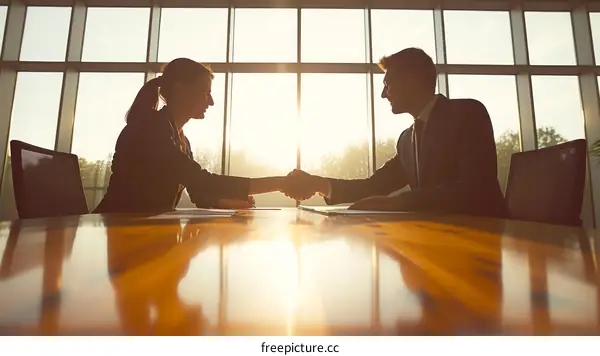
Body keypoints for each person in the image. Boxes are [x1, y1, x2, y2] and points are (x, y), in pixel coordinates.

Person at [284, 48, 508, 218]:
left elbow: (476, 188)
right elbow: (374, 187)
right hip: (438, 243)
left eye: (388, 83)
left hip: (489, 238)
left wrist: (399, 202)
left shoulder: (467, 113)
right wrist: (318, 184)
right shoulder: (406, 140)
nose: (383, 94)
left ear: (413, 80)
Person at [94, 58, 289, 214]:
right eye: (205, 93)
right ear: (180, 90)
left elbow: (198, 192)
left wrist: (226, 200)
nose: (211, 102)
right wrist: (282, 183)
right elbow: (202, 182)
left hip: (139, 230)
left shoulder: (182, 140)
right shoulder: (150, 128)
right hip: (114, 227)